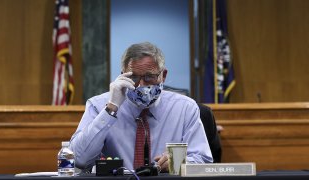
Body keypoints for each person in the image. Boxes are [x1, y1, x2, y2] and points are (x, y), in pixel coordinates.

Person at [69, 42, 213, 172]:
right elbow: (79, 160)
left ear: (163, 75)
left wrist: (179, 162)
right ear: (122, 76)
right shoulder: (98, 105)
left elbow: (203, 161)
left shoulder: (185, 108)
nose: (142, 85)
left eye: (149, 77)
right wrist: (111, 109)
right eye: (134, 78)